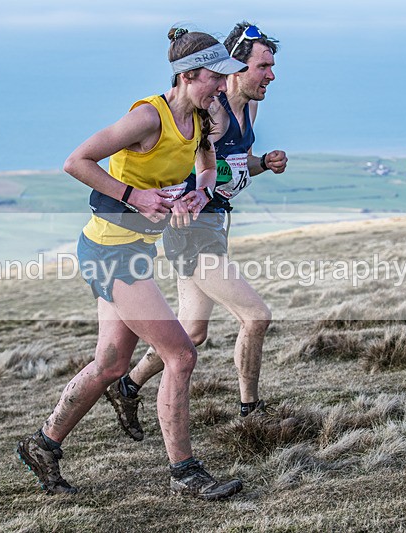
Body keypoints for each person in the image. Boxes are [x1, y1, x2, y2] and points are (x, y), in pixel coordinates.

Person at [16, 28, 246, 500]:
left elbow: (205, 164)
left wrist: (198, 193)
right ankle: (184, 473)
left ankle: (42, 444)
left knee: (111, 362)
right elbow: (76, 161)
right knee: (180, 354)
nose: (222, 86)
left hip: (133, 251)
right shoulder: (147, 118)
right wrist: (133, 195)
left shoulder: (200, 118)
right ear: (186, 75)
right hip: (109, 252)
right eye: (214, 78)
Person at [104, 22, 287, 441]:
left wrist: (264, 163)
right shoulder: (211, 111)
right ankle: (250, 413)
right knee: (256, 316)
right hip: (190, 230)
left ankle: (127, 387)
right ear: (235, 67)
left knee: (194, 332)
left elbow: (231, 166)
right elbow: (180, 166)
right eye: (264, 66)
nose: (271, 76)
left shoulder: (247, 109)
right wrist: (160, 202)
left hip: (215, 224)